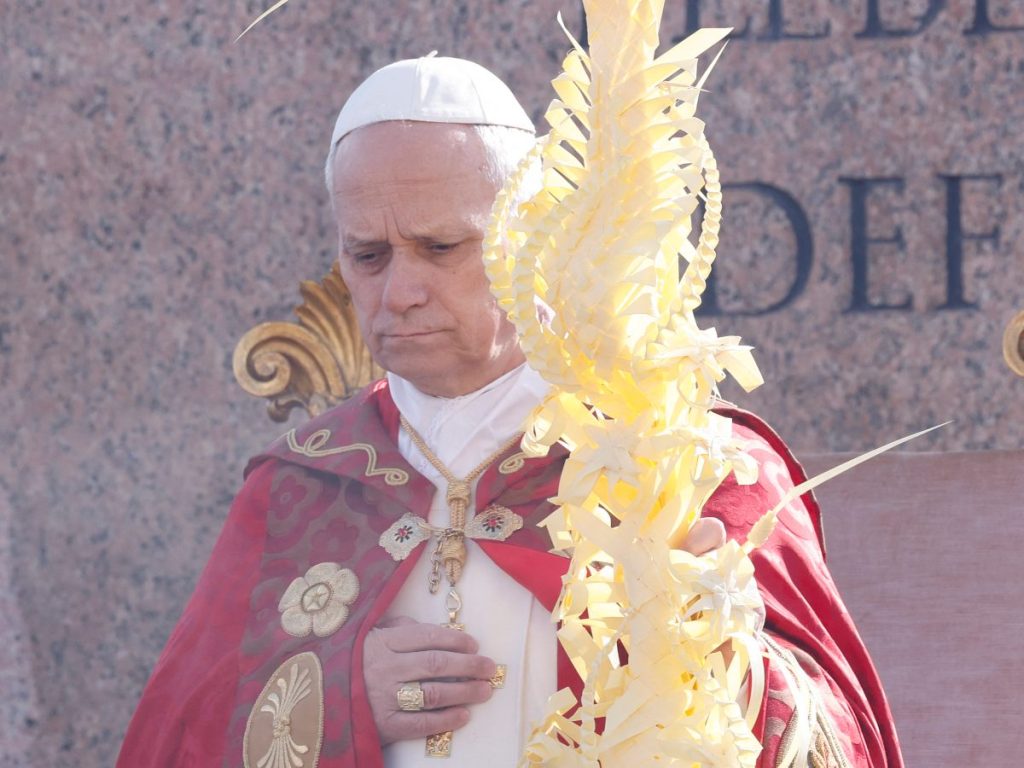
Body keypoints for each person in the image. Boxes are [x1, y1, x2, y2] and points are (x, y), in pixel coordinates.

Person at [117, 56, 904, 768]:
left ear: (532, 239)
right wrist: (329, 697)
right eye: (369, 255)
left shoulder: (686, 464)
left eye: (442, 248)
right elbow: (170, 737)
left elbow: (839, 740)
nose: (399, 291)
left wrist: (709, 657)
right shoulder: (297, 489)